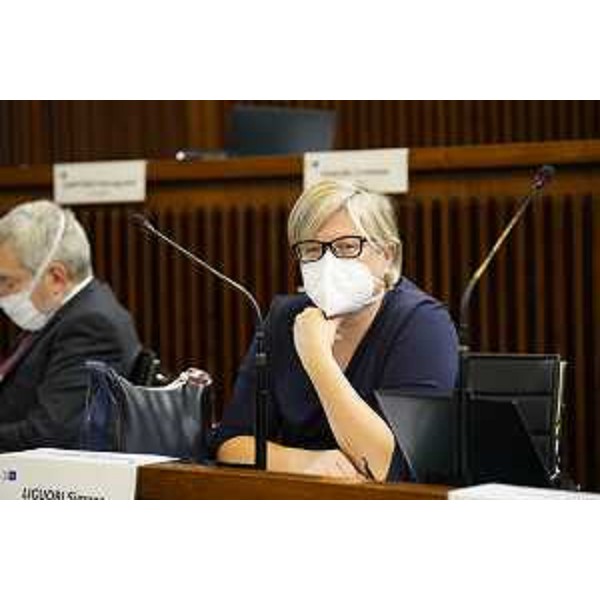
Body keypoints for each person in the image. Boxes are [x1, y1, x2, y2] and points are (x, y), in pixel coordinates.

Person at [211, 180, 458, 482]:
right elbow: (230, 444)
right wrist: (302, 462)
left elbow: (393, 468)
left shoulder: (423, 324)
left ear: (388, 254)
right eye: (312, 250)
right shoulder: (283, 319)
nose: (328, 264)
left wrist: (318, 361)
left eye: (347, 247)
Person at [0, 200, 141, 451]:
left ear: (56, 277)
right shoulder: (61, 313)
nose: (2, 292)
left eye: (6, 282)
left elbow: (50, 434)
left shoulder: (90, 326)